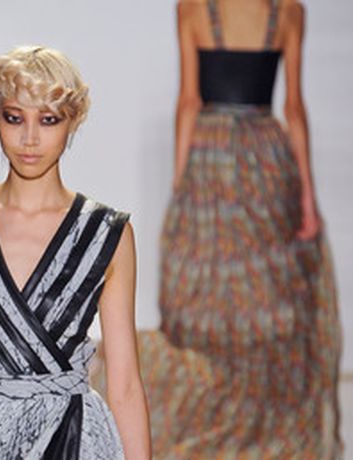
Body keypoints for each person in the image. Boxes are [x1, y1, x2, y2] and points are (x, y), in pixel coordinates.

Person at [0, 46, 150, 459]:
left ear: (73, 122)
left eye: (48, 120)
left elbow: (124, 383)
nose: (29, 138)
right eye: (14, 117)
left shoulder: (107, 233)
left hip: (72, 440)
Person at [136, 0, 342, 458]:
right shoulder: (289, 12)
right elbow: (294, 108)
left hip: (209, 158)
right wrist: (307, 198)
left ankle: (212, 410)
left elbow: (189, 101)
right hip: (266, 158)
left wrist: (180, 186)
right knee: (266, 295)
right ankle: (265, 419)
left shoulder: (192, 8)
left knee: (208, 296)